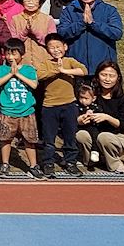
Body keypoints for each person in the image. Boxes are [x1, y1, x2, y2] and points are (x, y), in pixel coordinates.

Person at [35, 33, 87, 177]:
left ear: (65, 47)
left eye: (58, 46)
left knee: (70, 136)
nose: (55, 50)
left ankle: (70, 162)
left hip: (69, 104)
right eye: (51, 47)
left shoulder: (69, 61)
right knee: (49, 138)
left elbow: (83, 70)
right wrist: (56, 70)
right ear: (47, 50)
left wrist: (64, 70)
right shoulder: (45, 63)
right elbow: (40, 76)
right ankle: (48, 163)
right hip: (49, 106)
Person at [0, 39, 43, 178]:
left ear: (22, 54)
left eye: (14, 54)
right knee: (5, 139)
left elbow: (34, 85)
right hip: (7, 111)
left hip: (27, 111)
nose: (10, 57)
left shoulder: (29, 69)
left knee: (30, 140)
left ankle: (33, 166)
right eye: (8, 54)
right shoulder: (2, 69)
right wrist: (10, 73)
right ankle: (5, 164)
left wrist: (17, 74)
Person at [57, 0, 123, 74]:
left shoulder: (109, 10)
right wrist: (81, 24)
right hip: (77, 67)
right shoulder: (69, 11)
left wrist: (93, 24)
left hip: (103, 68)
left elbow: (116, 33)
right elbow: (62, 33)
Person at [76, 60, 124, 173]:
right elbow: (76, 115)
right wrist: (81, 120)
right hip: (92, 135)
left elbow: (123, 124)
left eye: (111, 76)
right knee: (81, 135)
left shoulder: (122, 99)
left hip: (115, 136)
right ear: (97, 76)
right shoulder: (90, 94)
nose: (107, 79)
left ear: (118, 78)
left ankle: (114, 163)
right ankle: (88, 160)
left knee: (104, 137)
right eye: (103, 75)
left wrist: (107, 117)